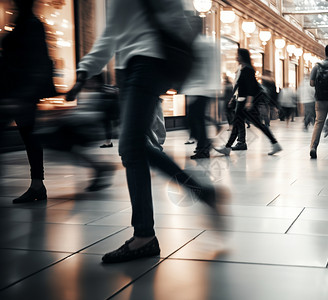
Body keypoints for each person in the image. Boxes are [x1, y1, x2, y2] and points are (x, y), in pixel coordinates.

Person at [66, 0, 227, 263]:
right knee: (132, 148)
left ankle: (146, 234)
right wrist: (86, 70)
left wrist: (86, 69)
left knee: (131, 146)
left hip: (147, 63)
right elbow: (114, 30)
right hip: (131, 66)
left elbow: (170, 17)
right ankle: (179, 207)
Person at [0, 0, 55, 203]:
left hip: (19, 93)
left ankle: (38, 184)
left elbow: (35, 62)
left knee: (30, 137)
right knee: (30, 136)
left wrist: (24, 95)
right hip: (14, 92)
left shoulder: (30, 24)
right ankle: (37, 185)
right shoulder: (23, 22)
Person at [214, 48, 282, 156]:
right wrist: (233, 98)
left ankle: (275, 144)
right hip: (242, 101)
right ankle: (227, 147)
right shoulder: (243, 68)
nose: (236, 57)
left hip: (245, 102)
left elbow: (251, 87)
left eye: (238, 55)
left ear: (242, 56)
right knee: (239, 124)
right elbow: (240, 86)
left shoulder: (248, 69)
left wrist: (249, 102)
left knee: (256, 124)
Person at [182, 16, 220, 159]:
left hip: (202, 89)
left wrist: (213, 87)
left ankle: (204, 146)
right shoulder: (194, 43)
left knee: (193, 119)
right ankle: (202, 145)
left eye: (193, 24)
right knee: (195, 119)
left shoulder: (205, 44)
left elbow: (212, 67)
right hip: (193, 88)